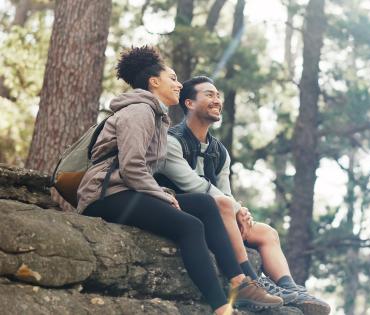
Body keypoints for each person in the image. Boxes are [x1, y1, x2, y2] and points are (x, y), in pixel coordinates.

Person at [76, 47, 282, 315]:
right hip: (105, 195)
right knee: (190, 226)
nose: (179, 84)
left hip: (125, 190)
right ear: (154, 82)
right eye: (172, 78)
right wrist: (163, 195)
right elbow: (132, 168)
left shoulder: (157, 117)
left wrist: (161, 192)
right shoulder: (139, 111)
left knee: (205, 204)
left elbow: (140, 173)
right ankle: (222, 307)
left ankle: (240, 282)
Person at [155, 76, 331, 314]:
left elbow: (225, 192)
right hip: (180, 209)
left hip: (216, 214)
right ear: (189, 103)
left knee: (266, 232)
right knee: (225, 206)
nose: (217, 100)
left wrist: (241, 213)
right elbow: (192, 184)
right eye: (209, 94)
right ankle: (250, 283)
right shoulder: (172, 141)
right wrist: (234, 208)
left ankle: (290, 290)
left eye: (218, 95)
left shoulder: (219, 151)